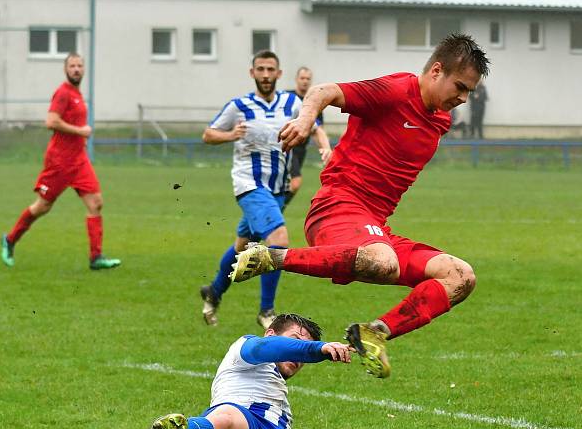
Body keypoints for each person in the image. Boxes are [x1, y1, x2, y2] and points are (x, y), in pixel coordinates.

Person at [229, 33, 490, 379]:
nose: (463, 98)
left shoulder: (439, 118)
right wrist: (306, 120)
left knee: (460, 276)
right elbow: (324, 91)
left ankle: (374, 333)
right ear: (436, 70)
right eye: (459, 86)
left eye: (469, 91)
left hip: (374, 225)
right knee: (383, 260)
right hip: (337, 207)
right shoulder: (397, 91)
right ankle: (271, 256)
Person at [129, 313, 349, 429]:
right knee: (229, 418)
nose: (298, 356)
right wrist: (317, 349)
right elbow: (269, 348)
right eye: (295, 341)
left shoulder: (279, 393)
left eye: (302, 351)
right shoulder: (246, 349)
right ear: (270, 334)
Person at [200, 51, 331, 329]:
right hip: (249, 185)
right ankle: (266, 311)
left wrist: (325, 147)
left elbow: (315, 125)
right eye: (260, 69)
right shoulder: (239, 106)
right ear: (252, 73)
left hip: (278, 188)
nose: (266, 74)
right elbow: (208, 134)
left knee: (242, 247)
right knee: (279, 240)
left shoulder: (291, 101)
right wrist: (230, 135)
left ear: (279, 74)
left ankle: (214, 292)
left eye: (271, 69)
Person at [0, 53, 120, 270]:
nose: (76, 69)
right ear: (66, 70)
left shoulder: (77, 94)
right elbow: (51, 121)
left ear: (84, 69)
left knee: (96, 203)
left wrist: (80, 138)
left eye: (79, 65)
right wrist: (80, 131)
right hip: (59, 162)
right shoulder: (63, 93)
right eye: (72, 66)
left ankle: (96, 258)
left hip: (79, 160)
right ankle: (9, 240)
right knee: (42, 206)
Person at [284, 67, 332, 206]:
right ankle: (275, 215)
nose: (305, 81)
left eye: (307, 79)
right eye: (302, 78)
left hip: (301, 150)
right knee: (295, 182)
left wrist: (325, 149)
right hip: (287, 147)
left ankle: (273, 214)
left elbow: (319, 130)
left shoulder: (315, 103)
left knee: (286, 185)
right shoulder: (288, 98)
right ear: (296, 80)